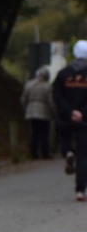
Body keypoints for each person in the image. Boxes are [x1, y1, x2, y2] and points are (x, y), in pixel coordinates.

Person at [53, 39, 87, 201]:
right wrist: (81, 113)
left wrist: (69, 111)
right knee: (83, 155)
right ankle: (80, 190)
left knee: (64, 137)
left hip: (66, 118)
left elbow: (57, 97)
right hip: (84, 121)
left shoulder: (63, 74)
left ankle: (67, 152)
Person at [21, 66, 55, 159]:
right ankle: (45, 153)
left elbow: (23, 99)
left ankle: (33, 152)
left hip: (31, 111)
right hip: (44, 112)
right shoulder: (48, 86)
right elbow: (51, 101)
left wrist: (26, 109)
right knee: (44, 133)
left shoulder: (28, 84)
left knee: (34, 133)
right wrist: (54, 113)